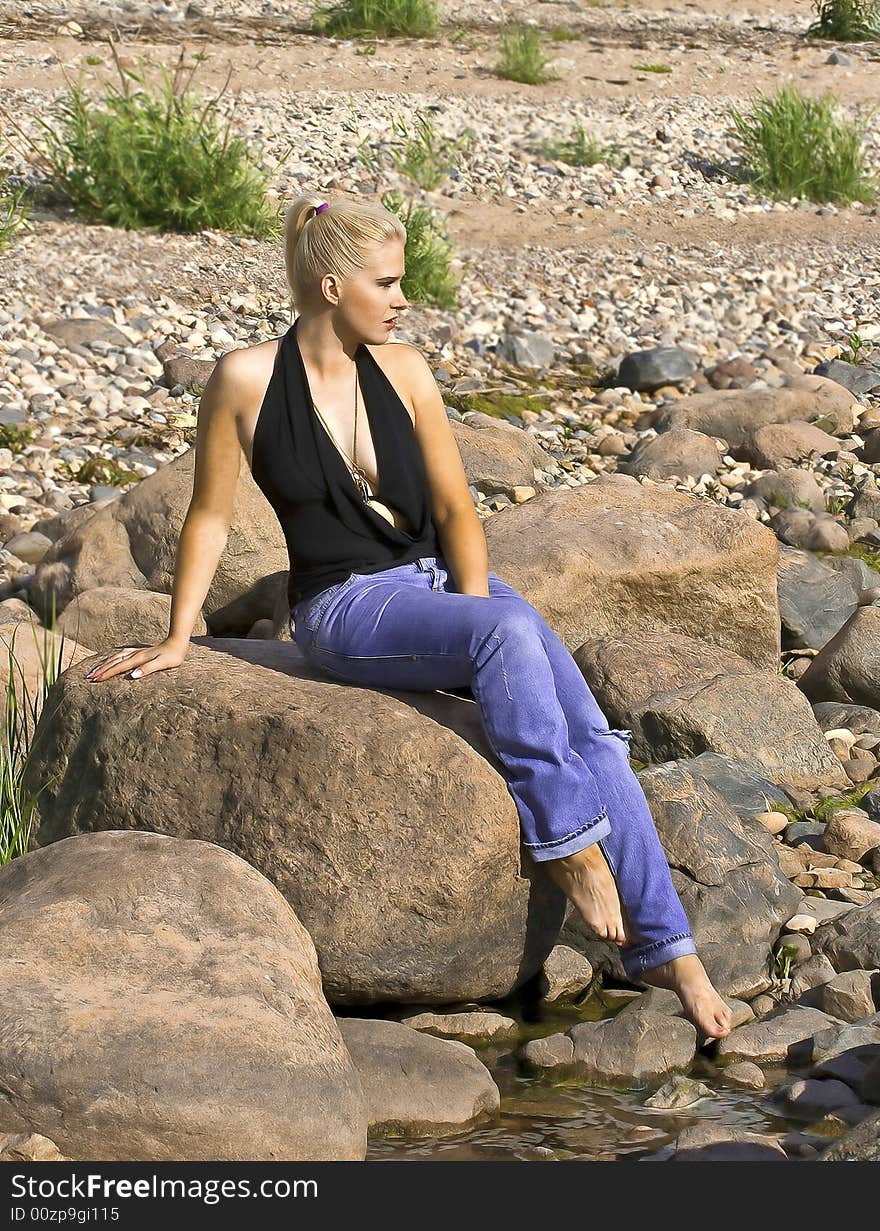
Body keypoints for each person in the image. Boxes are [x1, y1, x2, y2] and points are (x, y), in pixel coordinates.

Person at [85, 194, 732, 1041]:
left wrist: (468, 620)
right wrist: (180, 635)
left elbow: (460, 514)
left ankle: (668, 948)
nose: (402, 299)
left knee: (590, 730)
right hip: (341, 605)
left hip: (434, 584)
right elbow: (208, 513)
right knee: (509, 642)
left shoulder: (406, 371)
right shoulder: (245, 379)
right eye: (386, 282)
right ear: (329, 284)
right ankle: (568, 843)